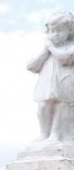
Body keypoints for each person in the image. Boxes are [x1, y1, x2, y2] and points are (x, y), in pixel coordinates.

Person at [28, 12, 74, 142]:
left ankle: (56, 134)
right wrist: (44, 51)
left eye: (59, 31)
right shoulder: (46, 51)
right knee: (43, 106)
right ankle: (44, 133)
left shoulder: (69, 47)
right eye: (52, 31)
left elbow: (64, 59)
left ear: (70, 31)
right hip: (47, 85)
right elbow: (31, 66)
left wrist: (50, 48)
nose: (55, 34)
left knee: (61, 105)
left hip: (66, 82)